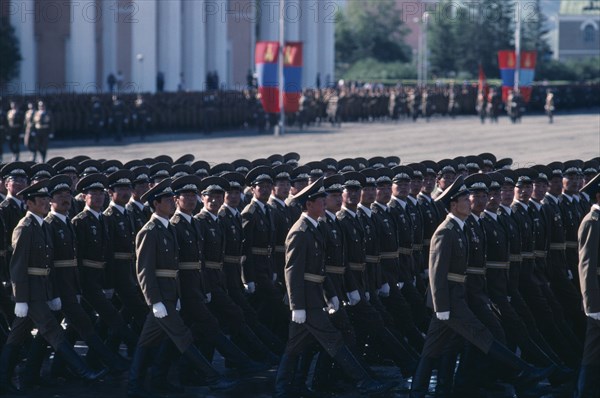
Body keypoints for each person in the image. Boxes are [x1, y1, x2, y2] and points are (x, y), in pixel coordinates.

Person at [410, 176, 552, 398]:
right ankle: (526, 370)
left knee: (434, 348)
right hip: (450, 301)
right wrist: (442, 306)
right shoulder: (445, 231)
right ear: (453, 205)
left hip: (455, 298)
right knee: (482, 334)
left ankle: (426, 391)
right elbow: (436, 273)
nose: (470, 202)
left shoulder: (460, 228)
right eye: (465, 199)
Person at [274, 177, 394, 397]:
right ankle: (364, 382)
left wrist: (331, 295)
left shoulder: (315, 227)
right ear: (309, 204)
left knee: (295, 346)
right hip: (306, 301)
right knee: (333, 339)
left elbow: (321, 269)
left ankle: (286, 387)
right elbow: (292, 272)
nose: (324, 204)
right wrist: (296, 306)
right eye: (321, 200)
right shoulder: (299, 232)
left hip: (315, 296)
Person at [128, 179, 236, 398]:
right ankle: (212, 377)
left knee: (148, 341)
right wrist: (154, 301)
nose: (171, 202)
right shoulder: (149, 231)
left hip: (169, 296)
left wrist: (175, 295)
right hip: (161, 298)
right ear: (156, 204)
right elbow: (144, 271)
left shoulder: (167, 228)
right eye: (167, 200)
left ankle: (142, 383)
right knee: (182, 336)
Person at [0, 179, 106, 394]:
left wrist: (53, 293)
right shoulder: (25, 227)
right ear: (28, 203)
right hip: (31, 292)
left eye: (47, 198)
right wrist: (20, 298)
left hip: (43, 288)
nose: (46, 202)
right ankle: (84, 370)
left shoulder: (42, 225)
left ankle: (22, 377)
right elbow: (18, 266)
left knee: (17, 335)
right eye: (41, 199)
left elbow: (48, 264)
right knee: (52, 331)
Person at [575, 173, 600, 397]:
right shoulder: (592, 223)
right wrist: (592, 305)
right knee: (592, 351)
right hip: (598, 299)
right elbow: (587, 267)